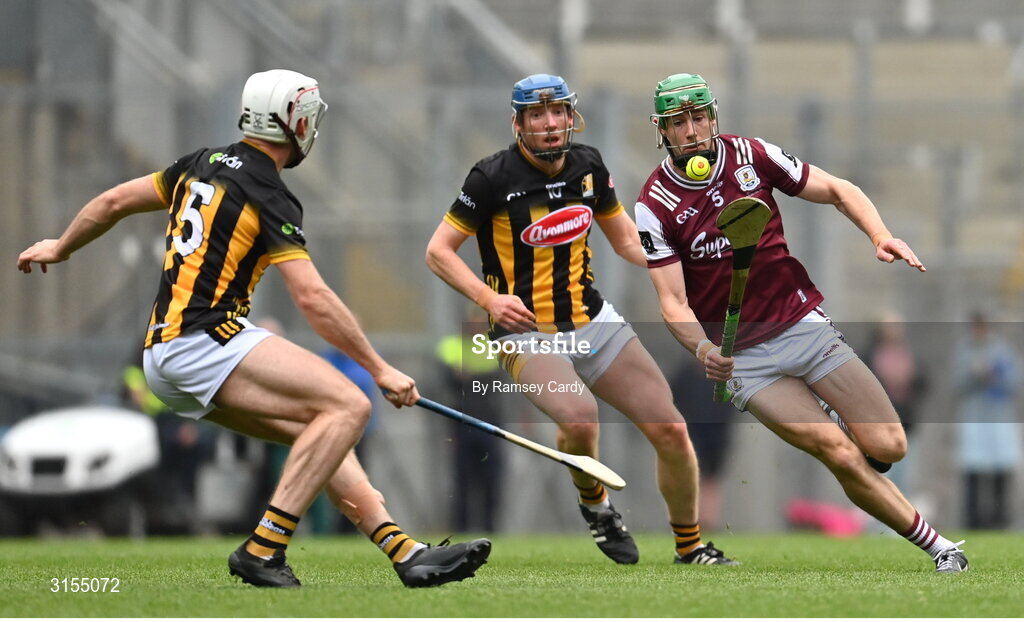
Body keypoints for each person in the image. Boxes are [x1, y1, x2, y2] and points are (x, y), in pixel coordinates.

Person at [18, 69, 490, 588]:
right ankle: (264, 548)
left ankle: (405, 553)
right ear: (293, 122)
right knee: (350, 404)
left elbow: (110, 203)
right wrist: (379, 369)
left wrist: (60, 245)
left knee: (321, 432)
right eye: (309, 117)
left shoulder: (197, 164)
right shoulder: (268, 191)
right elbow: (312, 296)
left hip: (162, 355)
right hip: (206, 340)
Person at [634, 72, 968, 572]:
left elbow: (837, 188)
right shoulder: (654, 204)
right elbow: (673, 304)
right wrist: (704, 351)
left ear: (713, 116)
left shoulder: (751, 155)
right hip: (744, 358)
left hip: (802, 325)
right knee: (837, 450)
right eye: (678, 122)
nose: (691, 130)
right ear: (662, 130)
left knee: (888, 445)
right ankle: (940, 547)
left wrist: (879, 235)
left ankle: (844, 424)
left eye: (698, 116)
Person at [426, 73, 734, 565]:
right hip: (525, 333)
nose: (549, 124)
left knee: (672, 429)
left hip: (594, 322)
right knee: (580, 416)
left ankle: (690, 547)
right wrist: (489, 299)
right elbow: (438, 252)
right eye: (536, 115)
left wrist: (688, 260)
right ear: (518, 122)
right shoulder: (490, 178)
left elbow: (629, 241)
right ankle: (597, 506)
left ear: (571, 117)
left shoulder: (589, 165)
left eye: (557, 113)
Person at [436, 305, 506, 532]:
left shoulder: (493, 347)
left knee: (491, 478)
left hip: (491, 423)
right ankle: (461, 528)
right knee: (462, 479)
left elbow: (495, 380)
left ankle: (490, 528)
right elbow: (449, 378)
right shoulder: (451, 347)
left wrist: (468, 376)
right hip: (461, 424)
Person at [953, 311, 1022, 529]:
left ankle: (1000, 519)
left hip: (999, 417)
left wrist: (996, 375)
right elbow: (956, 384)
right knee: (972, 469)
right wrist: (975, 375)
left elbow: (1016, 380)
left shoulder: (1002, 351)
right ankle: (973, 520)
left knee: (1001, 469)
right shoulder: (964, 351)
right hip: (974, 418)